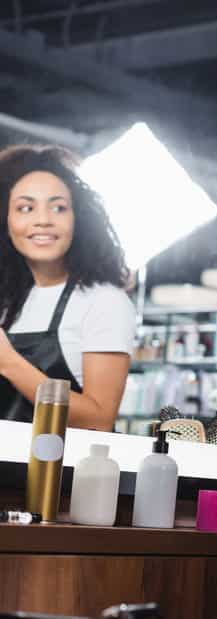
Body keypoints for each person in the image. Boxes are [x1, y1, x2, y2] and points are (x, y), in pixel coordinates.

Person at [0, 145, 135, 430]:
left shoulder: (104, 302)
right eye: (25, 208)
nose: (43, 220)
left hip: (64, 472)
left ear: (79, 219)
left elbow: (99, 419)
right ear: (6, 220)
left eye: (58, 207)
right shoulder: (7, 300)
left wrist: (8, 363)